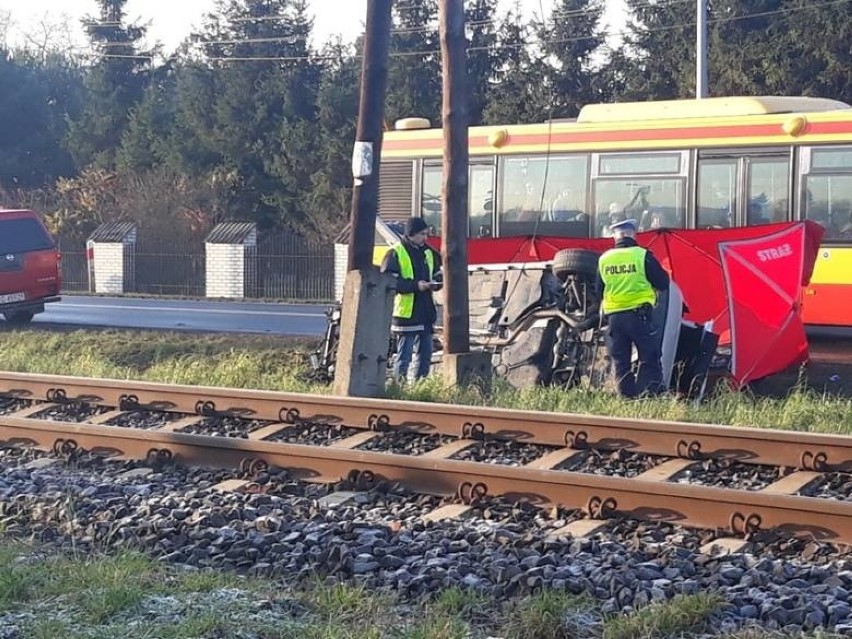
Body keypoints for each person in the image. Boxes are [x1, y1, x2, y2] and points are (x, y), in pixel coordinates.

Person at [597, 218, 670, 398]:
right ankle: (650, 396)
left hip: (614, 318)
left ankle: (626, 399)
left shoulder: (604, 259)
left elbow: (598, 289)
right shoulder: (642, 255)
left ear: (615, 237)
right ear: (632, 234)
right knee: (649, 357)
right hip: (639, 316)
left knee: (621, 362)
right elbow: (662, 282)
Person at [381, 217, 443, 382]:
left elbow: (438, 274)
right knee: (404, 357)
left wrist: (436, 284)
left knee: (425, 357)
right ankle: (398, 387)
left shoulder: (428, 252)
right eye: (422, 234)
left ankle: (419, 388)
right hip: (406, 315)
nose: (425, 238)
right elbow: (390, 282)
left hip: (425, 313)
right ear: (411, 234)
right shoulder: (395, 253)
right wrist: (417, 285)